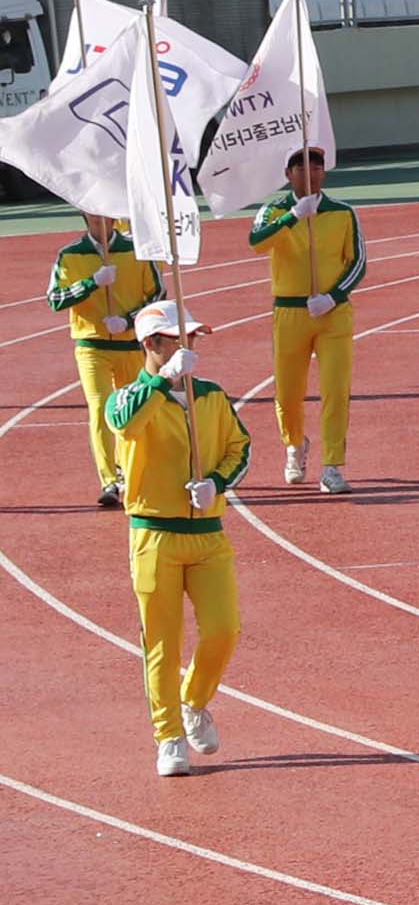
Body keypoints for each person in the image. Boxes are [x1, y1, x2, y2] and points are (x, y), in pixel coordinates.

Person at [109, 301, 246, 776]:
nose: (188, 347)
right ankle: (168, 737)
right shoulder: (129, 395)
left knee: (224, 629)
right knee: (162, 645)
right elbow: (123, 423)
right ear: (151, 344)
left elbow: (239, 447)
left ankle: (195, 701)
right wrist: (161, 381)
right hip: (154, 535)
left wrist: (218, 482)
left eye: (192, 339)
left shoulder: (211, 396)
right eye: (177, 340)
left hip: (208, 534)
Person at [249, 147, 363, 494]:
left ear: (324, 173)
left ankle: (332, 465)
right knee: (288, 390)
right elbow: (256, 242)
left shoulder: (342, 213)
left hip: (332, 313)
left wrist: (333, 296)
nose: (309, 171)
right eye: (300, 165)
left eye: (316, 165)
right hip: (289, 312)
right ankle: (295, 445)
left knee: (335, 388)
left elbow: (357, 262)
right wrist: (293, 217)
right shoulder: (274, 211)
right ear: (288, 174)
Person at [50, 211, 162, 507]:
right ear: (84, 215)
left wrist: (128, 321)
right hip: (91, 345)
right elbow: (55, 299)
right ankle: (109, 479)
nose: (100, 219)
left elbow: (157, 294)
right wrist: (91, 283)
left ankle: (132, 470)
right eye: (93, 213)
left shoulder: (135, 251)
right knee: (100, 406)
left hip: (129, 345)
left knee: (135, 411)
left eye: (105, 214)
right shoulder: (71, 254)